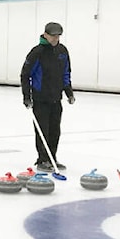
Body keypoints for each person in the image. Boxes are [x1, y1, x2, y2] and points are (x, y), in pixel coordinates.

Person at [20, 21, 75, 172]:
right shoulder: (37, 52)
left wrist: (68, 92)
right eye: (52, 36)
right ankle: (42, 159)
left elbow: (66, 73)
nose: (55, 39)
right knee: (42, 130)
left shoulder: (62, 51)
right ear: (45, 35)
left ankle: (52, 158)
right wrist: (27, 96)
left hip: (56, 98)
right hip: (40, 99)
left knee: (55, 130)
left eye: (58, 36)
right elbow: (25, 75)